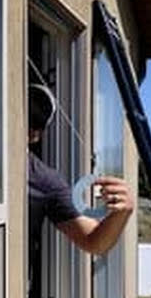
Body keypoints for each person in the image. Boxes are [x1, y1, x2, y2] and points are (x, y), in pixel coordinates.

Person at [28, 83, 134, 255]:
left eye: (33, 121)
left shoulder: (44, 180)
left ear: (35, 135)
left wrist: (122, 211)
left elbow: (95, 242)